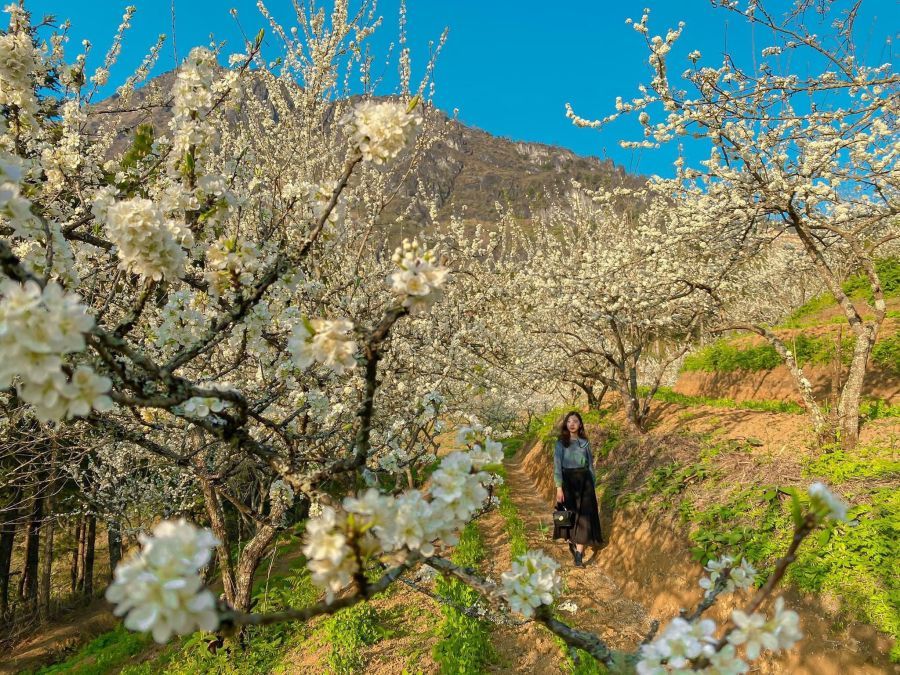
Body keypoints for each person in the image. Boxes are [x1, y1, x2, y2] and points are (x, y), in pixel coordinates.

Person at [552, 411, 602, 567]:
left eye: (575, 421)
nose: (572, 423)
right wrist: (559, 487)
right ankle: (572, 541)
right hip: (568, 480)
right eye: (569, 421)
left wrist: (592, 485)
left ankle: (579, 554)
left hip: (585, 482)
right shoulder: (561, 443)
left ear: (580, 424)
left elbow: (590, 465)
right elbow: (557, 466)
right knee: (571, 514)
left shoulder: (585, 442)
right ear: (566, 424)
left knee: (584, 517)